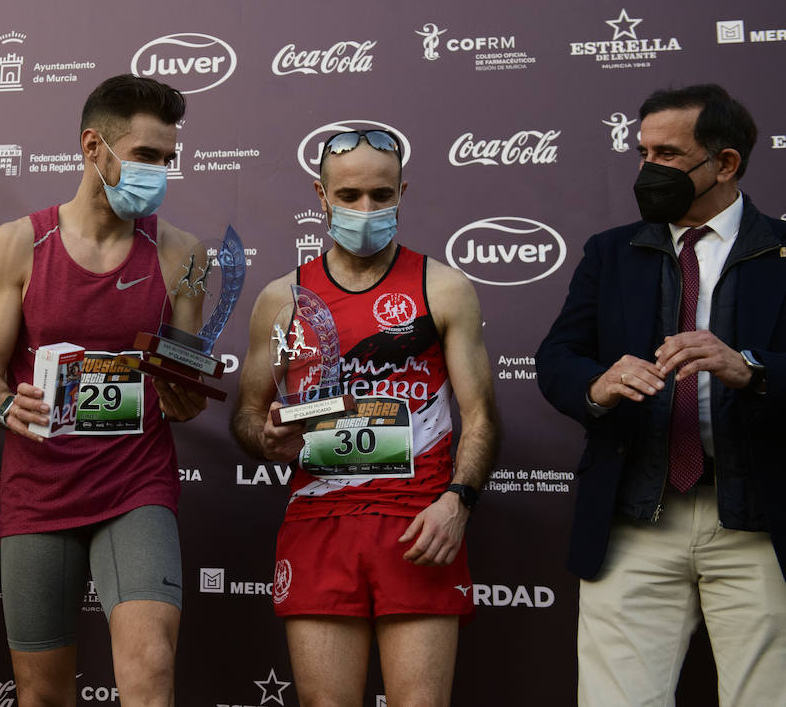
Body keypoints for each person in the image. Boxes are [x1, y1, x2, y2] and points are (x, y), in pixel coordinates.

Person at [535, 84, 786, 706]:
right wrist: (597, 385)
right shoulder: (610, 252)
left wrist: (751, 368)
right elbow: (557, 359)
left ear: (725, 164)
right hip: (634, 521)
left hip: (758, 523)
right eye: (643, 153)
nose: (649, 169)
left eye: (669, 155)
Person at [232, 127, 499, 707]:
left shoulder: (444, 287)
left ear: (403, 191)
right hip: (318, 520)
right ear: (320, 195)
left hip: (416, 523)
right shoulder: (284, 296)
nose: (366, 209)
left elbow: (481, 419)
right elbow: (248, 418)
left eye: (382, 196)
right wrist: (265, 437)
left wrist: (458, 502)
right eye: (349, 196)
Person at [0, 74, 208, 707]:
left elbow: (183, 376)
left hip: (136, 481)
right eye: (145, 156)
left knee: (150, 671)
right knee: (42, 694)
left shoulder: (183, 252)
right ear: (93, 147)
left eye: (167, 160)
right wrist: (0, 403)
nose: (158, 172)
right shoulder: (20, 242)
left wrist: (185, 394)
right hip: (39, 486)